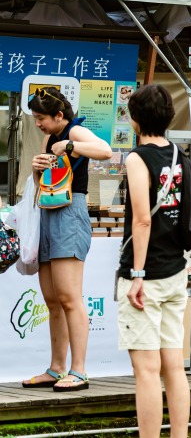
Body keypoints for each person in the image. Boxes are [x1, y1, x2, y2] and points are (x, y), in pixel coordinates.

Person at [21, 87, 112, 392]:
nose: (38, 124)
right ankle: (57, 367)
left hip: (71, 213)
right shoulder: (49, 139)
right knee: (52, 299)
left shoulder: (77, 130)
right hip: (48, 212)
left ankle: (80, 370)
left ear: (59, 115)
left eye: (41, 118)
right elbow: (46, 183)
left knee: (70, 298)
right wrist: (37, 171)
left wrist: (70, 144)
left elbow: (105, 150)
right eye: (35, 118)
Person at [116, 84, 190, 437]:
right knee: (174, 366)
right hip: (176, 268)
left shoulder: (136, 157)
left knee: (146, 370)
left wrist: (138, 274)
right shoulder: (179, 154)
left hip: (147, 273)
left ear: (134, 120)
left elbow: (142, 219)